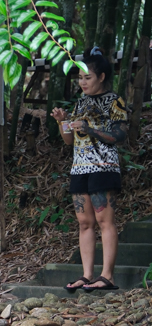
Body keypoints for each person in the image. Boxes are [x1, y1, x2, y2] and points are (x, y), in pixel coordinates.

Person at [51, 47, 129, 292]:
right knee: (85, 223)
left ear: (101, 77)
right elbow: (69, 140)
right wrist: (62, 122)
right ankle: (87, 275)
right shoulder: (81, 102)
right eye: (80, 78)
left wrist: (91, 129)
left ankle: (107, 276)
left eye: (88, 77)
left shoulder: (113, 101)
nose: (82, 82)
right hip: (80, 168)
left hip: (104, 166)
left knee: (105, 221)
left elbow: (120, 136)